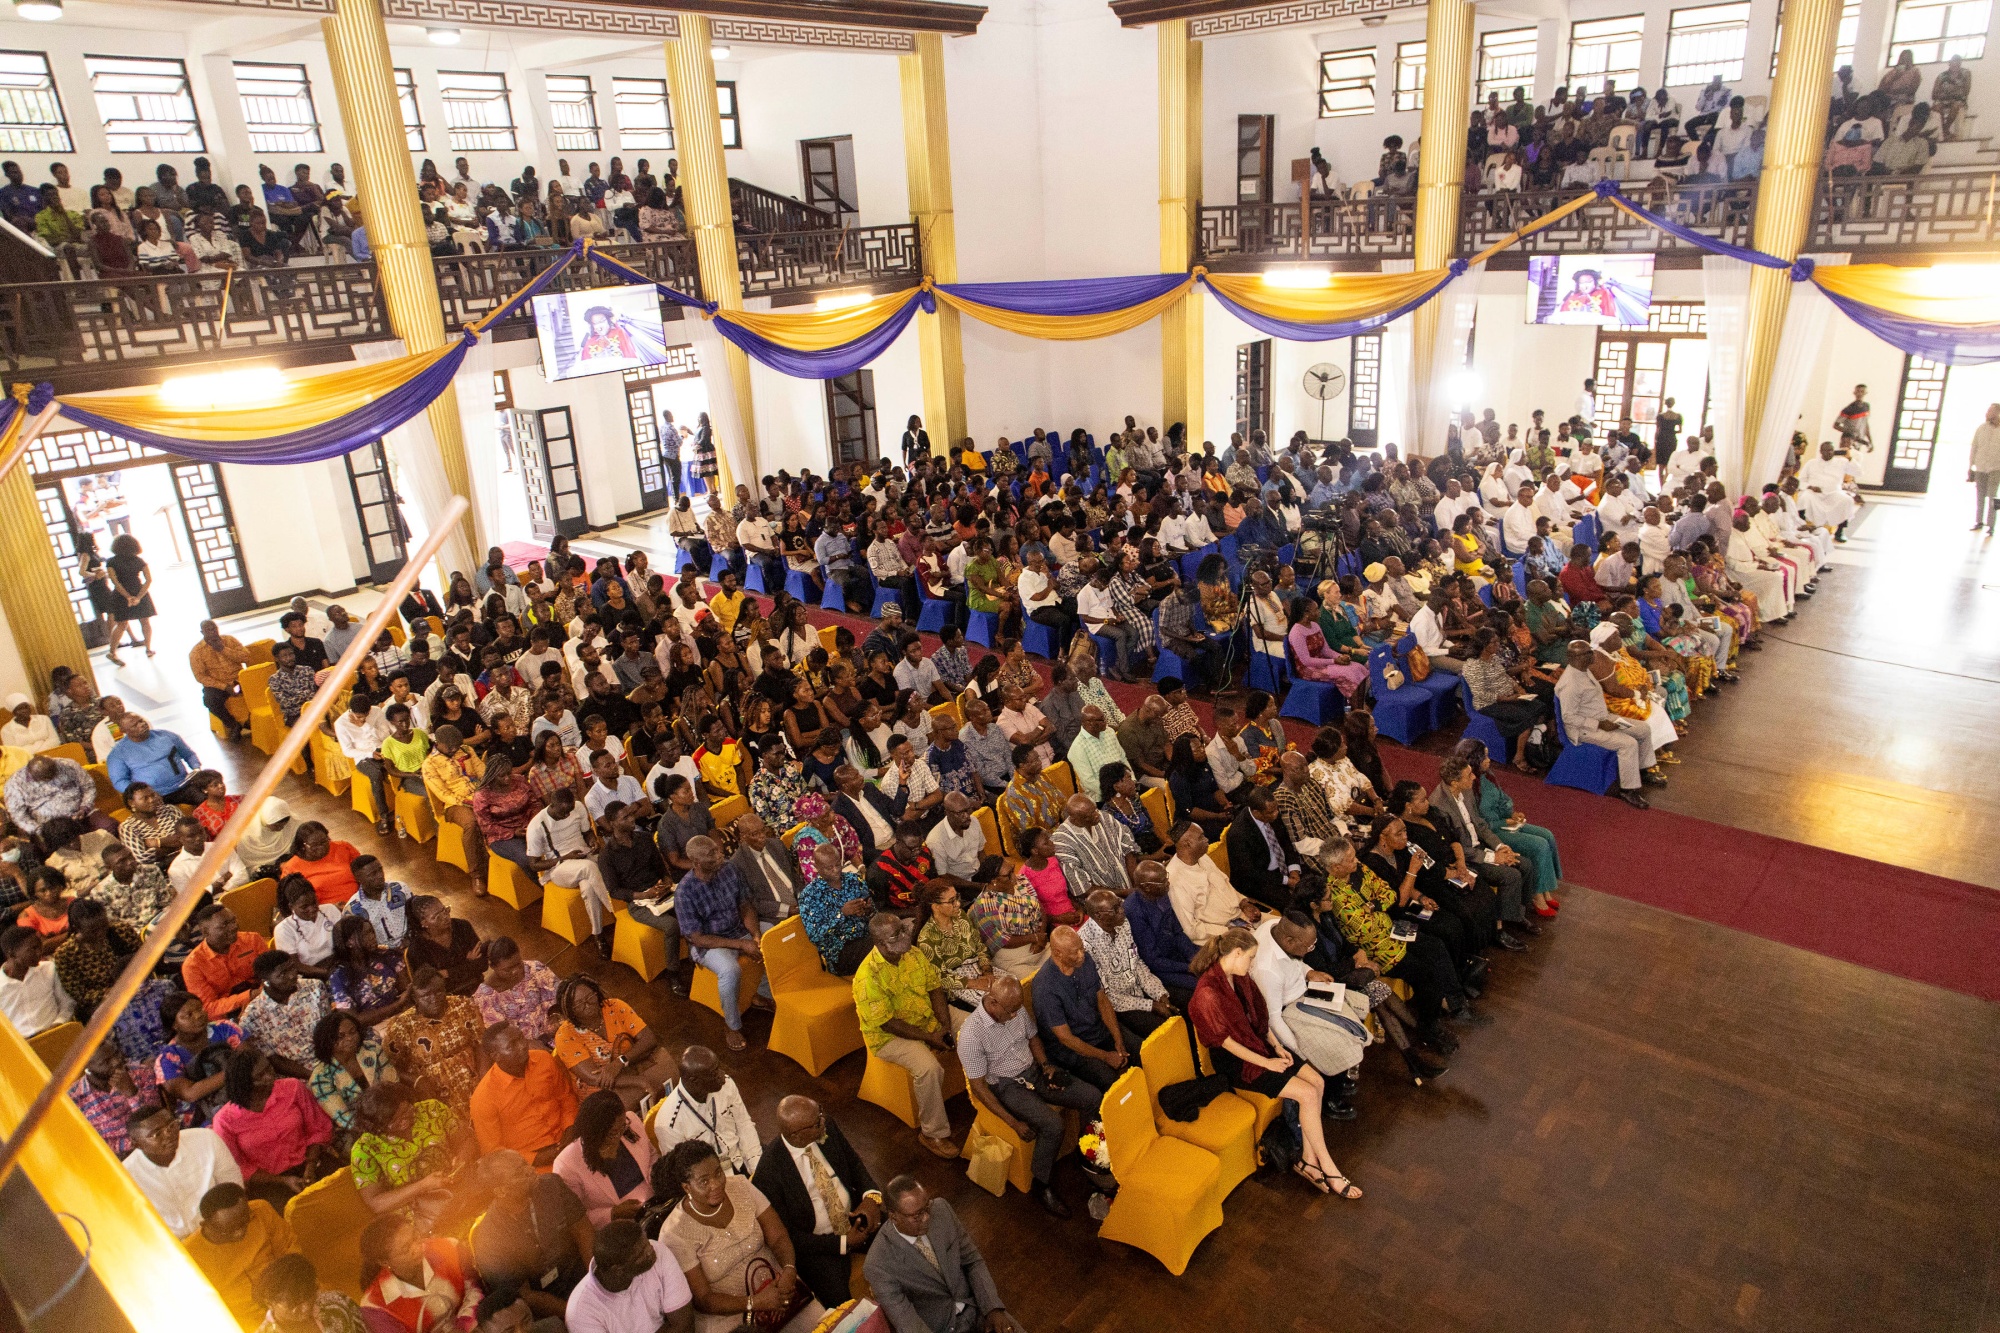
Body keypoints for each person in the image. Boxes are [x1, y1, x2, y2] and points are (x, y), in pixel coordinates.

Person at [1186, 927, 1360, 1199]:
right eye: (1250, 957)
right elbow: (1227, 1044)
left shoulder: (1239, 977)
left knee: (1315, 1081)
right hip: (1237, 1062)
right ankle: (1327, 1166)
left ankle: (1307, 1161)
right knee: (1306, 1093)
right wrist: (1267, 1063)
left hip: (1258, 1045)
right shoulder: (1207, 993)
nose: (1253, 964)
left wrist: (1277, 1047)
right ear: (1236, 953)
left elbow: (1260, 1016)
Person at [853, 912, 959, 1158]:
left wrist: (943, 1025)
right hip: (890, 1036)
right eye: (896, 934)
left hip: (927, 1015)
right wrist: (929, 1037)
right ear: (881, 944)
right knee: (928, 1068)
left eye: (903, 928)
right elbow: (888, 1023)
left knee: (974, 1029)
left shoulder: (912, 953)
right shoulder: (867, 977)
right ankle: (933, 1134)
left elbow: (934, 988)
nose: (905, 935)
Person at [862, 1176, 1022, 1333]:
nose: (926, 1218)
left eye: (927, 1207)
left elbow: (973, 1261)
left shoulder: (941, 1209)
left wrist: (992, 1308)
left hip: (978, 1308)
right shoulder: (878, 1263)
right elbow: (908, 1323)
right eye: (917, 1216)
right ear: (893, 1217)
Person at [1249, 912, 1369, 1097]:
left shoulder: (1276, 926)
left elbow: (1295, 963)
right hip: (1287, 1010)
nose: (1311, 949)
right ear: (1289, 941)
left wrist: (1309, 972)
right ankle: (1331, 1097)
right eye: (1309, 946)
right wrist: (1298, 1051)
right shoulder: (1267, 970)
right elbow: (1273, 1018)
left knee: (1349, 1021)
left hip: (1304, 991)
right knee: (1330, 1043)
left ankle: (1339, 1077)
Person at [468, 1149, 593, 1322]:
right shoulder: (489, 1239)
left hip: (584, 1277)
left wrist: (596, 1283)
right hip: (545, 1309)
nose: (530, 1170)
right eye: (519, 1172)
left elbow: (584, 1232)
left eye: (525, 1163)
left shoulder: (552, 1186)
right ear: (501, 1191)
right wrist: (574, 1313)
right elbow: (524, 1295)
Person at [676, 835, 769, 1052]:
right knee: (730, 970)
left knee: (772, 938)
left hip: (738, 930)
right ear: (696, 863)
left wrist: (755, 935)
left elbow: (744, 904)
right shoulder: (684, 892)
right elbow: (696, 937)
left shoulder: (729, 869)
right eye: (712, 854)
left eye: (718, 851)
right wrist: (741, 944)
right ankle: (732, 1025)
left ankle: (761, 994)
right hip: (710, 945)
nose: (720, 856)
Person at [210, 1049, 336, 1204]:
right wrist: (282, 1181)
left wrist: (310, 1167)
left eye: (268, 1068)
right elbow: (238, 1167)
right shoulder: (225, 1120)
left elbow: (319, 1128)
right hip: (269, 1183)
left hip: (311, 1161)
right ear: (244, 1083)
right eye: (259, 1076)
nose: (269, 1076)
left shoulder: (292, 1088)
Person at [184, 1182, 301, 1327]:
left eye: (245, 1223)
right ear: (205, 1225)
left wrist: (291, 1293)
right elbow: (202, 1308)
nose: (240, 1233)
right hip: (244, 1322)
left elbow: (290, 1250)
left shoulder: (260, 1210)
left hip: (290, 1298)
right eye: (229, 1230)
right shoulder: (188, 1255)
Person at [552, 973, 674, 1110]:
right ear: (569, 1011)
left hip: (629, 1067)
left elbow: (649, 1039)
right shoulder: (565, 1035)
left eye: (590, 997)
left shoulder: (615, 1006)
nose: (588, 1005)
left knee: (668, 1067)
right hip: (600, 1089)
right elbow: (595, 1078)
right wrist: (640, 1081)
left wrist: (620, 1062)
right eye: (579, 1004)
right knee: (624, 1104)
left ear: (596, 992)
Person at [124, 1102, 244, 1238]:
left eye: (172, 1125)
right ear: (136, 1144)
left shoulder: (206, 1139)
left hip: (223, 1231)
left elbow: (233, 1187)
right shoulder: (126, 1176)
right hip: (173, 1247)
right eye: (156, 1134)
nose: (168, 1134)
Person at [380, 966, 487, 1117]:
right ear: (415, 998)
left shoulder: (463, 1006)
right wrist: (417, 1080)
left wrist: (485, 1081)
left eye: (439, 991)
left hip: (474, 1082)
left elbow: (480, 1043)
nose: (434, 998)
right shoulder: (401, 1027)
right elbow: (390, 1066)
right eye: (426, 996)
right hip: (435, 1094)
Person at [470, 1021, 579, 1168]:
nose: (522, 1046)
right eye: (511, 1046)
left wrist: (570, 1128)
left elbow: (566, 1098)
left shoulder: (544, 1059)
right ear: (495, 1056)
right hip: (533, 1168)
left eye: (521, 1038)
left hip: (571, 1142)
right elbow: (494, 1153)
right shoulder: (483, 1098)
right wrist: (538, 1159)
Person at [562, 1218, 696, 1333]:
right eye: (641, 1254)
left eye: (646, 1243)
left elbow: (685, 1325)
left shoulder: (658, 1252)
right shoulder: (581, 1310)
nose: (651, 1251)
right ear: (618, 1270)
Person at [358, 1211, 484, 1331]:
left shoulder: (449, 1248)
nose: (418, 1248)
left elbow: (475, 1288)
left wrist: (464, 1324)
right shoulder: (376, 1307)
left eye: (415, 1236)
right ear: (384, 1262)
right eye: (405, 1249)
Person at [552, 1088, 659, 1227]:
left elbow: (652, 1155)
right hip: (620, 1226)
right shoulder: (567, 1164)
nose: (620, 1134)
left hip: (656, 1204)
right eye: (612, 1133)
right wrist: (613, 1213)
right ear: (594, 1132)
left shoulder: (630, 1121)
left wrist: (656, 1180)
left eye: (623, 1126)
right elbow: (575, 1216)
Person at [106, 714, 202, 804]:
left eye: (141, 721)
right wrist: (141, 794)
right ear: (123, 730)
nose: (142, 725)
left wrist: (196, 768)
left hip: (184, 786)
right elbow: (119, 781)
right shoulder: (117, 753)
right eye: (134, 725)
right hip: (153, 797)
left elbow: (189, 754)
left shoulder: (167, 736)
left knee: (209, 803)